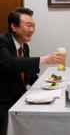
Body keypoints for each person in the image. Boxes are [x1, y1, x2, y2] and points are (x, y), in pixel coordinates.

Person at [0, 7, 64, 135]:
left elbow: (29, 73)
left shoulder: (25, 47)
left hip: (20, 99)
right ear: (14, 26)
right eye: (28, 26)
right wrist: (44, 59)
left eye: (33, 26)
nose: (32, 30)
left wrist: (50, 85)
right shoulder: (2, 41)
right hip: (4, 102)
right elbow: (9, 63)